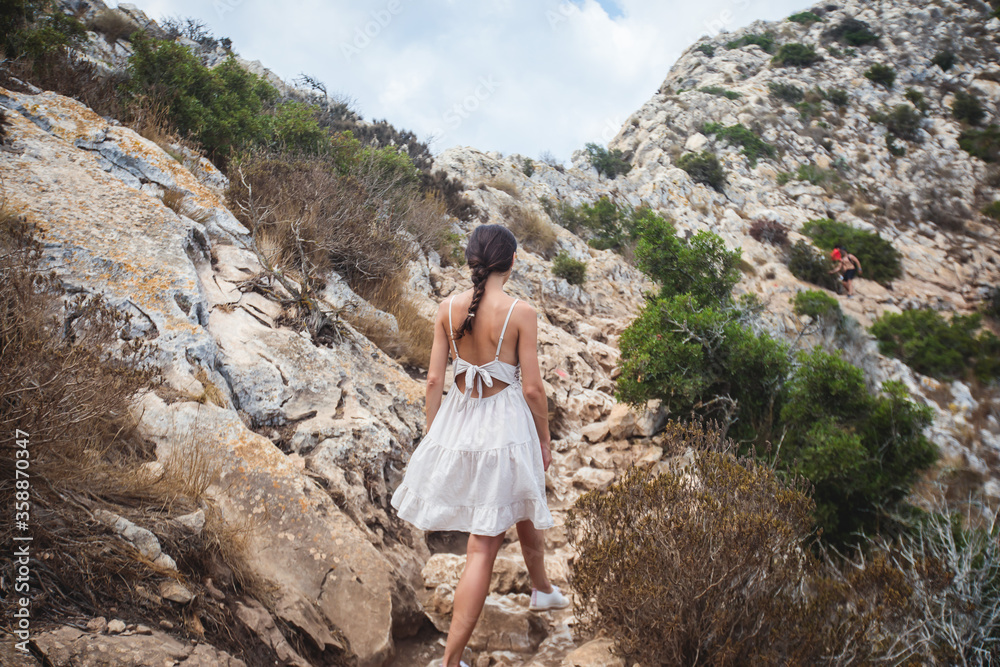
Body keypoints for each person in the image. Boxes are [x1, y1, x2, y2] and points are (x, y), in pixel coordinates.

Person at [390, 224, 568, 667]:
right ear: (510, 263)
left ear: (471, 260)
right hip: (505, 427)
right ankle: (451, 661)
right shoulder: (520, 312)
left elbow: (434, 380)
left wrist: (434, 436)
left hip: (459, 418)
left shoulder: (446, 308)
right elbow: (532, 390)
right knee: (482, 547)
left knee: (521, 499)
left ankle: (542, 588)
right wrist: (544, 438)